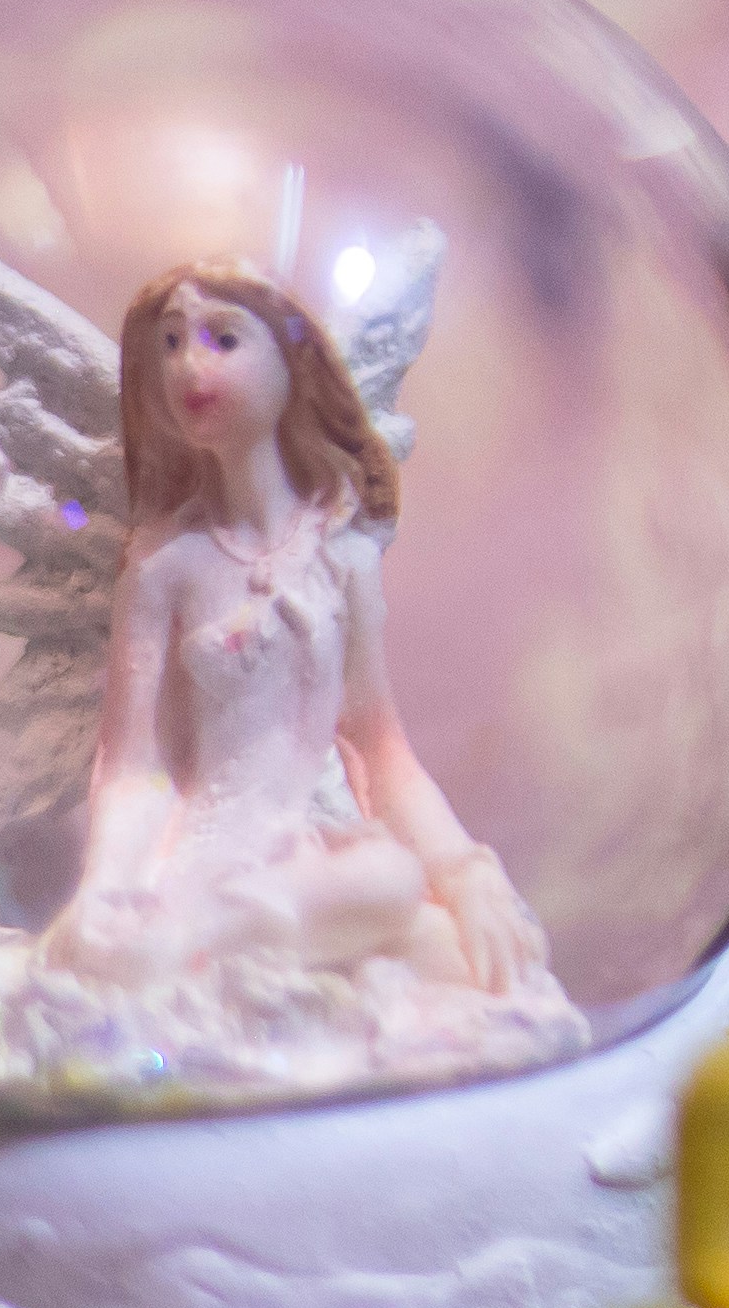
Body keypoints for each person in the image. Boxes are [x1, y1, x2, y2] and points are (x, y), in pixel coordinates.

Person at [43, 260, 551, 1008]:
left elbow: (382, 749)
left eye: (223, 338)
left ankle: (204, 952)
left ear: (293, 362)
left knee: (452, 943)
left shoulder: (345, 561)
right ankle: (192, 944)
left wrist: (464, 868)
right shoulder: (165, 567)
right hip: (212, 856)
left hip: (322, 857)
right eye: (172, 342)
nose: (189, 365)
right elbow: (130, 767)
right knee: (387, 894)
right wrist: (108, 886)